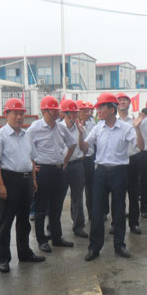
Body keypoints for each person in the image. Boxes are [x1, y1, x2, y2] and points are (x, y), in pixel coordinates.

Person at [77, 92, 145, 262]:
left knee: (119, 209)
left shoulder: (126, 128)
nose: (98, 111)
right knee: (97, 211)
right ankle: (94, 247)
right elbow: (84, 148)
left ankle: (119, 245)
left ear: (112, 109)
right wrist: (80, 134)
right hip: (100, 173)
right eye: (98, 108)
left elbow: (141, 147)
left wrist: (137, 128)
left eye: (101, 108)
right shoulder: (97, 128)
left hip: (119, 172)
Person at [0, 98, 45, 273]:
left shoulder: (27, 135)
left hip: (26, 181)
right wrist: (1, 185)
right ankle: (4, 259)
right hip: (9, 180)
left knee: (24, 221)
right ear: (7, 115)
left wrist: (33, 180)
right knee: (6, 222)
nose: (19, 117)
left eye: (21, 114)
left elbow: (32, 159)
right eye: (15, 113)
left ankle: (24, 252)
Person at [27, 95, 76, 253]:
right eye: (52, 110)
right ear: (44, 111)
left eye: (57, 110)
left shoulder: (61, 127)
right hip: (43, 171)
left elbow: (72, 144)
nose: (56, 113)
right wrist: (32, 167)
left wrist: (65, 161)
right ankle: (42, 240)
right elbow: (25, 148)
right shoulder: (35, 128)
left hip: (58, 171)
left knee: (56, 207)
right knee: (41, 208)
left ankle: (56, 237)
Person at [60, 99, 88, 238]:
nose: (76, 116)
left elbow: (85, 150)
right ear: (65, 114)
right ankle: (52, 227)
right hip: (61, 166)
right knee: (58, 197)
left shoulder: (80, 128)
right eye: (73, 113)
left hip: (77, 165)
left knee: (77, 197)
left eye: (76, 113)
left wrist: (81, 134)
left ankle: (78, 226)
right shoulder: (58, 128)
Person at [116, 93, 142, 235]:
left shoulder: (135, 121)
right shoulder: (112, 121)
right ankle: (116, 223)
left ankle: (134, 223)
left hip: (133, 160)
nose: (122, 102)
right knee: (117, 195)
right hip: (118, 162)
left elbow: (140, 141)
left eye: (125, 100)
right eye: (119, 100)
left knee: (133, 194)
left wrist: (137, 128)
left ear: (129, 103)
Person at [78, 100, 96, 220]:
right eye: (84, 111)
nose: (87, 113)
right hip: (79, 160)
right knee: (78, 191)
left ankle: (92, 214)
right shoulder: (74, 125)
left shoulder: (92, 122)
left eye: (88, 111)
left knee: (91, 188)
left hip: (90, 159)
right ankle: (78, 220)